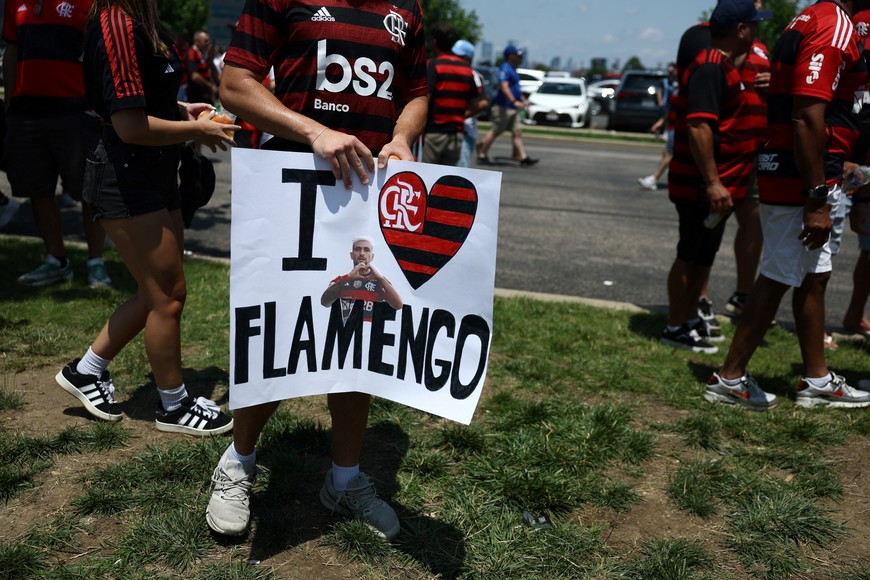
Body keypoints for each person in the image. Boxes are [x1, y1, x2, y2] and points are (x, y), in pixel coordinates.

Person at [205, 0, 428, 540]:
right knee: (279, 334)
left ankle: (345, 479)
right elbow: (235, 85)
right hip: (289, 188)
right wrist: (312, 132)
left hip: (368, 197)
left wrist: (400, 136)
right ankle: (238, 461)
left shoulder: (408, 7)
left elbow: (417, 93)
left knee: (359, 338)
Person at [54, 0, 238, 433]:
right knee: (167, 296)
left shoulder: (139, 21)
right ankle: (173, 406)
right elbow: (129, 126)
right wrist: (198, 129)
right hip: (126, 176)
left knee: (155, 291)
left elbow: (143, 99)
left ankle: (86, 370)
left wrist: (182, 111)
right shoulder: (116, 22)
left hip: (152, 171)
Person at [707, 0, 870, 410]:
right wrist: (816, 197)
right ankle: (729, 378)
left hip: (809, 171)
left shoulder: (815, 16)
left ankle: (816, 379)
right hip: (804, 175)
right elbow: (807, 116)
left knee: (815, 274)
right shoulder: (831, 23)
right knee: (779, 274)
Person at [660, 0, 769, 354]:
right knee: (689, 252)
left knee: (704, 254)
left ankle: (690, 316)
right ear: (740, 30)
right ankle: (675, 324)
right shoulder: (709, 67)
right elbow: (698, 126)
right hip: (701, 184)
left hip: (722, 184)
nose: (756, 32)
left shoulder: (723, 65)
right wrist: (713, 182)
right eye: (753, 25)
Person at [3, 0, 110, 288]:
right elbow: (11, 50)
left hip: (76, 110)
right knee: (38, 190)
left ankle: (96, 263)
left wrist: (100, 106)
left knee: (90, 192)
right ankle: (57, 260)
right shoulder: (15, 3)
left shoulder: (89, 3)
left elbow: (100, 53)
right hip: (26, 112)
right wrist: (9, 105)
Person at [423, 22, 481, 166]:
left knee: (427, 176)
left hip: (434, 132)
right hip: (456, 134)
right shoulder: (467, 69)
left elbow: (425, 98)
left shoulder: (433, 65)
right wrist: (461, 116)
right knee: (446, 180)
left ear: (434, 42)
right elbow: (476, 104)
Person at [476, 45, 538, 167]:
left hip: (513, 108)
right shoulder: (505, 68)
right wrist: (514, 101)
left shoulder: (513, 69)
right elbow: (504, 87)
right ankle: (482, 153)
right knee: (496, 131)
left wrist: (523, 100)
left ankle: (523, 157)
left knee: (517, 132)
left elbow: (516, 89)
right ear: (510, 56)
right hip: (503, 107)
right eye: (518, 55)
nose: (521, 58)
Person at [321, 236, 403, 324]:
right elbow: (324, 302)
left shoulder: (380, 281)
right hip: (346, 334)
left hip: (370, 335)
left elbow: (398, 305)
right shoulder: (341, 280)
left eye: (366, 250)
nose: (362, 253)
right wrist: (347, 278)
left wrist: (380, 278)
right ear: (351, 255)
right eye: (357, 249)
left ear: (372, 256)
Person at [637, 63, 677, 191]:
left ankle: (654, 179)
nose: (670, 73)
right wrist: (661, 122)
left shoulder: (682, 86)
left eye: (672, 71)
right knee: (667, 152)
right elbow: (670, 107)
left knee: (669, 153)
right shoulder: (671, 85)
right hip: (672, 125)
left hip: (678, 126)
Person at [453, 40, 489, 169]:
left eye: (460, 56)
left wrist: (461, 116)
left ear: (468, 58)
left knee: (460, 170)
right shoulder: (449, 70)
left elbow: (483, 103)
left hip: (465, 131)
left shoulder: (474, 75)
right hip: (444, 129)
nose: (455, 58)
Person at [185, 31, 218, 107]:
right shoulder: (191, 53)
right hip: (196, 95)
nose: (208, 43)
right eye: (205, 41)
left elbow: (209, 68)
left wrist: (211, 59)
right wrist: (210, 86)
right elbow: (195, 76)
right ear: (197, 41)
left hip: (204, 94)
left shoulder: (202, 53)